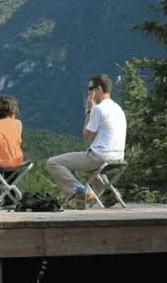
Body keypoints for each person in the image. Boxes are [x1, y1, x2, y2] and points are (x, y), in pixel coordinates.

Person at [46, 74, 127, 208]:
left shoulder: (98, 108)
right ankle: (108, 193)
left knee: (53, 163)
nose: (89, 92)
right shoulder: (118, 108)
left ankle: (79, 195)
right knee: (90, 167)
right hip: (117, 156)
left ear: (99, 89)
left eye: (91, 89)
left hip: (100, 156)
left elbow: (87, 135)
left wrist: (89, 109)